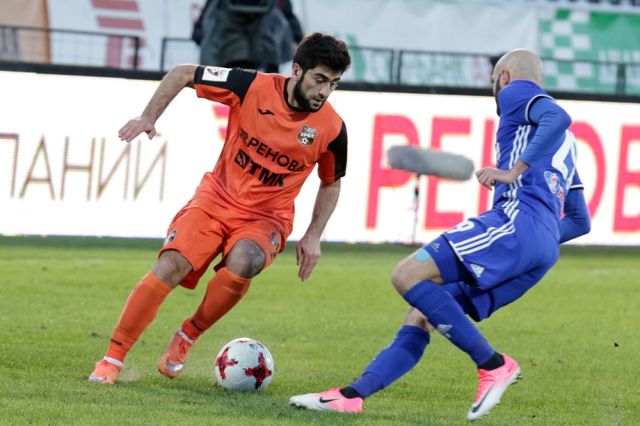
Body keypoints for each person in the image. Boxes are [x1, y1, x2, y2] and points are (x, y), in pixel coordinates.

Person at [289, 48, 591, 421]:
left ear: (504, 77)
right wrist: (536, 239)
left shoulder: (517, 91)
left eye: (493, 82)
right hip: (543, 249)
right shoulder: (566, 145)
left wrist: (513, 172)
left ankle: (493, 364)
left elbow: (559, 116)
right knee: (421, 313)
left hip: (516, 222)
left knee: (406, 275)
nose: (495, 90)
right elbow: (580, 221)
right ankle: (351, 396)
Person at [88, 32, 351, 384]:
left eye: (333, 83)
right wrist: (148, 117)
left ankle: (188, 335)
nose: (324, 91)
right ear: (296, 70)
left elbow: (331, 182)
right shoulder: (251, 86)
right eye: (319, 79)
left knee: (245, 262)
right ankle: (112, 359)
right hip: (216, 198)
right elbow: (183, 73)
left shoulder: (332, 129)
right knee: (171, 265)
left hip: (267, 218)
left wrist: (313, 235)